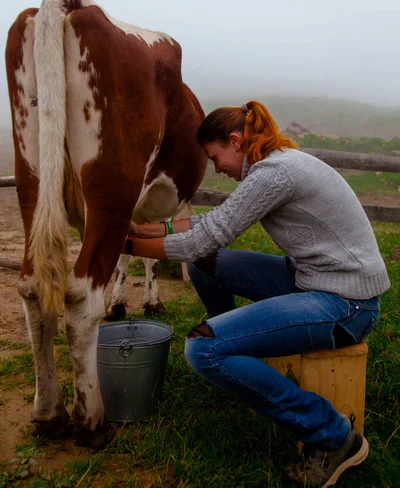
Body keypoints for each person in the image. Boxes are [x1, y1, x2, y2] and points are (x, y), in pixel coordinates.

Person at [126, 100, 389, 487]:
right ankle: (240, 357)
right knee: (207, 265)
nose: (218, 169)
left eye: (216, 158)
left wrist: (124, 246)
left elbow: (204, 238)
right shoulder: (276, 164)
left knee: (203, 350)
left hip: (347, 304)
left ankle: (334, 435)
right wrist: (152, 230)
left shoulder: (274, 174)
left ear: (235, 141)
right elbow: (213, 223)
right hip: (314, 279)